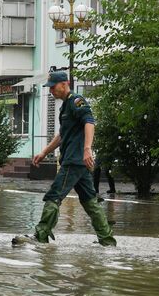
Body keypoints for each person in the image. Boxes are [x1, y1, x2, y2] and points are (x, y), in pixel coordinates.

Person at [12, 71, 117, 246]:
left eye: (53, 87)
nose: (51, 91)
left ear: (64, 84)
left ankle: (41, 235)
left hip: (74, 161)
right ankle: (107, 241)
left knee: (54, 195)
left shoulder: (77, 101)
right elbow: (62, 135)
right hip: (76, 162)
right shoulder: (65, 106)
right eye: (50, 88)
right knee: (90, 200)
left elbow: (89, 122)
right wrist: (44, 152)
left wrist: (87, 149)